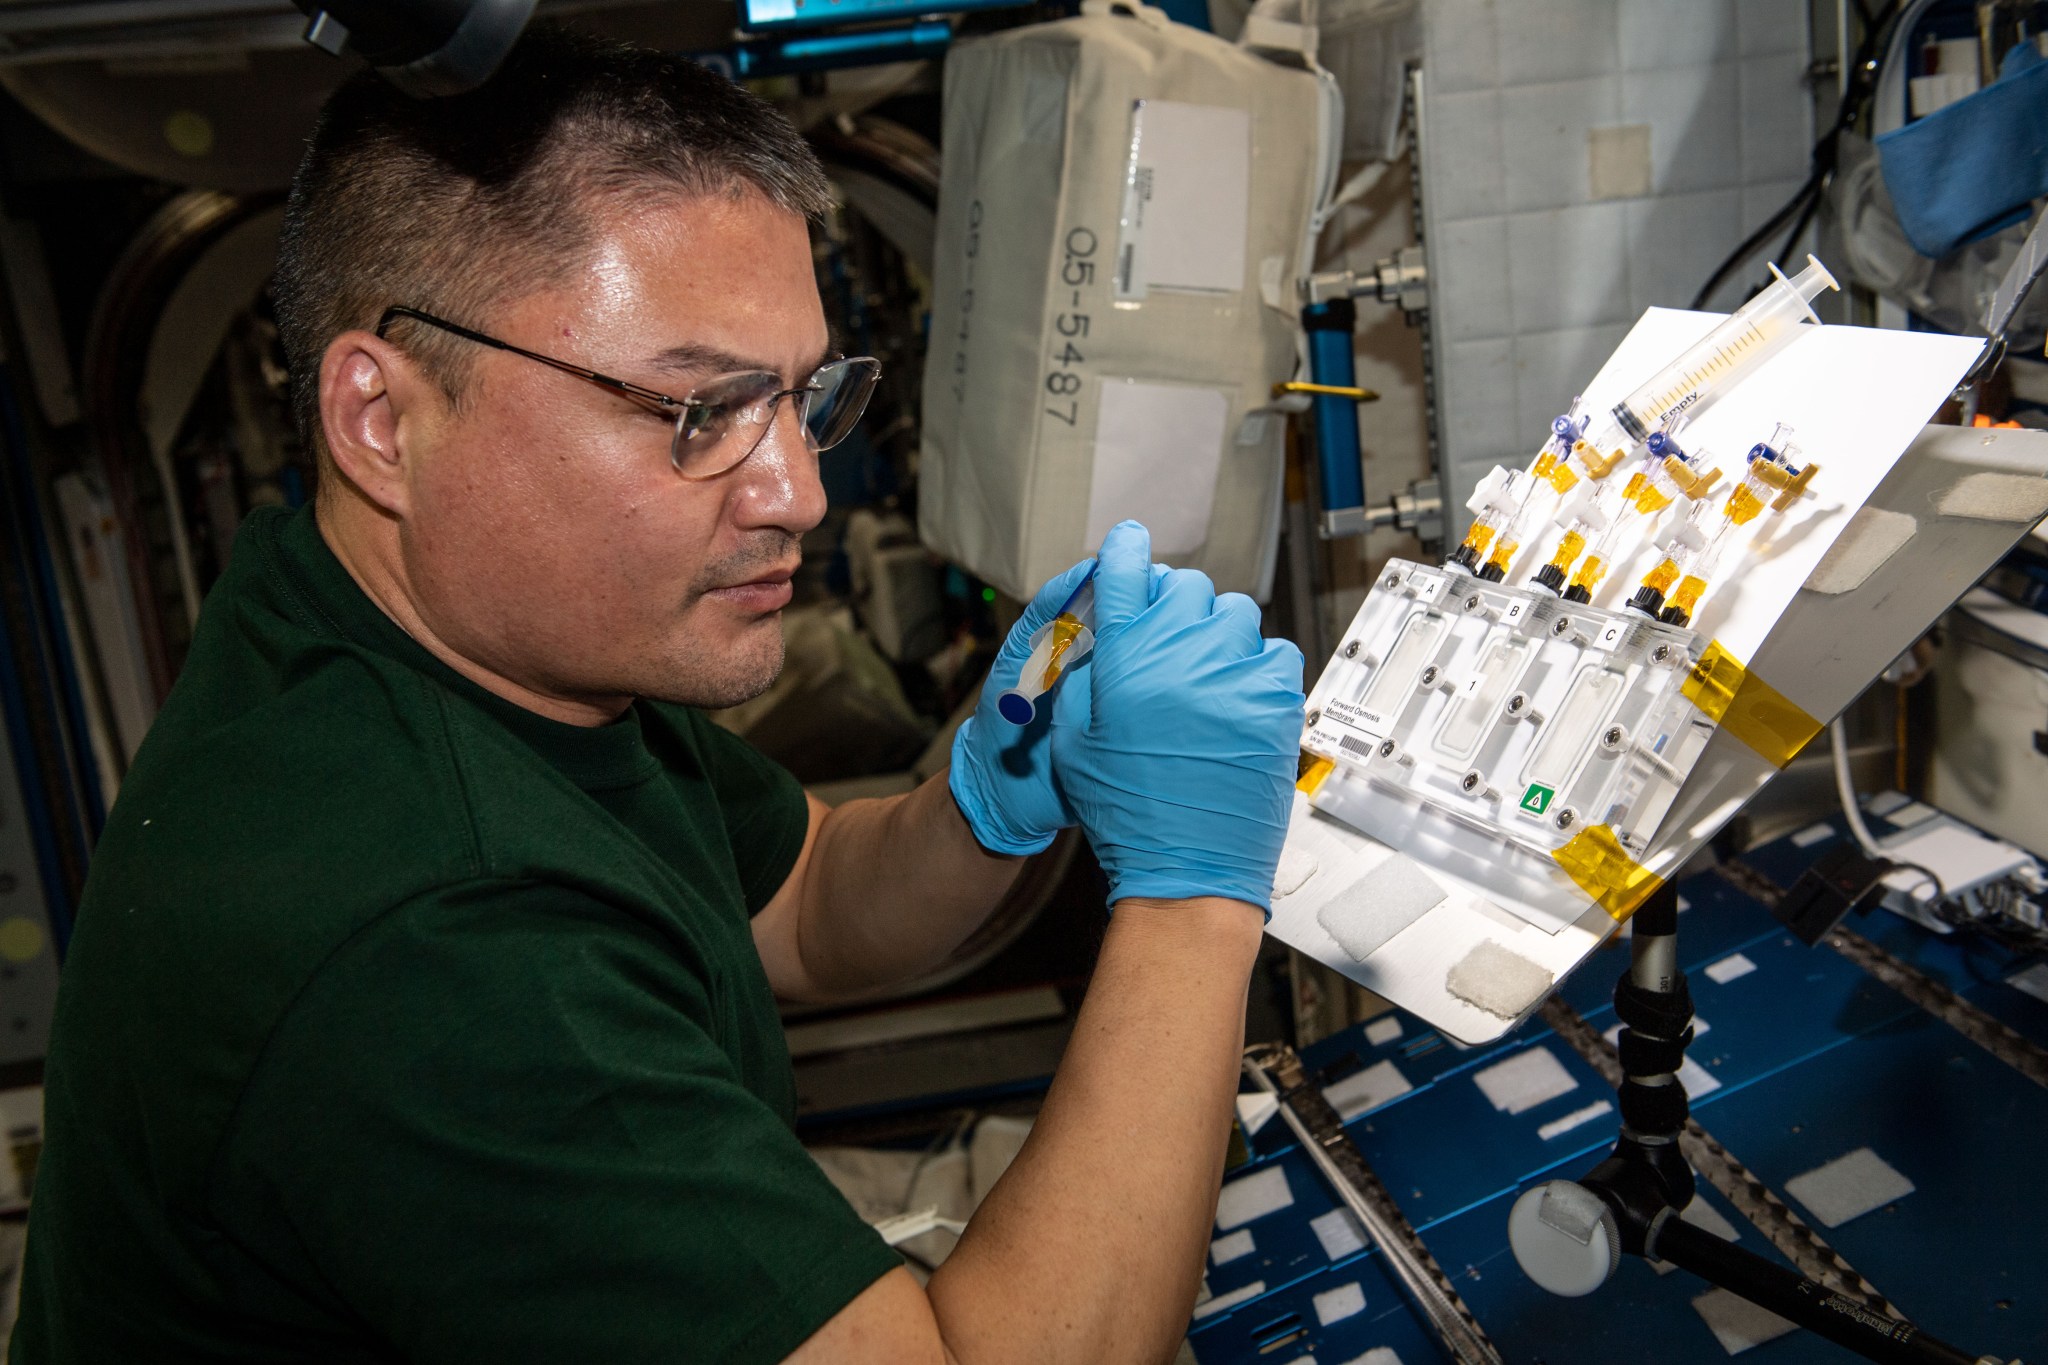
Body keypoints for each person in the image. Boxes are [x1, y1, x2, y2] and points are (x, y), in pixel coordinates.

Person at [10, 27, 1304, 1365]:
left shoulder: (442, 640)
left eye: (804, 399)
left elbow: (798, 899)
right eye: (699, 409)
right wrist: (1197, 894)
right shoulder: (423, 941)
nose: (796, 491)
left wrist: (988, 789)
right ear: (382, 421)